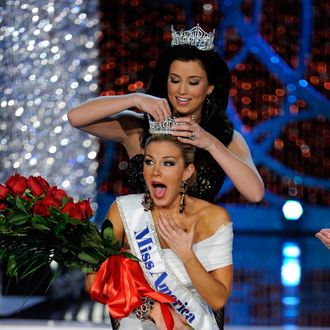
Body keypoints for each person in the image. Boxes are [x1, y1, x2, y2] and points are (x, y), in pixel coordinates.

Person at [67, 24, 264, 204]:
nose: (182, 91)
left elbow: (255, 193)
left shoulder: (225, 138)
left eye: (193, 82)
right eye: (175, 80)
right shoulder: (138, 129)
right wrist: (135, 99)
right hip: (142, 240)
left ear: (210, 87)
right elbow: (76, 117)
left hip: (193, 241)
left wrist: (210, 143)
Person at [86, 132, 233, 329]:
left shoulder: (214, 218)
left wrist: (187, 256)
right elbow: (93, 281)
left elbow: (218, 300)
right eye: (149, 161)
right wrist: (152, 308)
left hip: (195, 321)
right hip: (138, 317)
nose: (155, 172)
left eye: (168, 163)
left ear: (187, 172)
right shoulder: (123, 210)